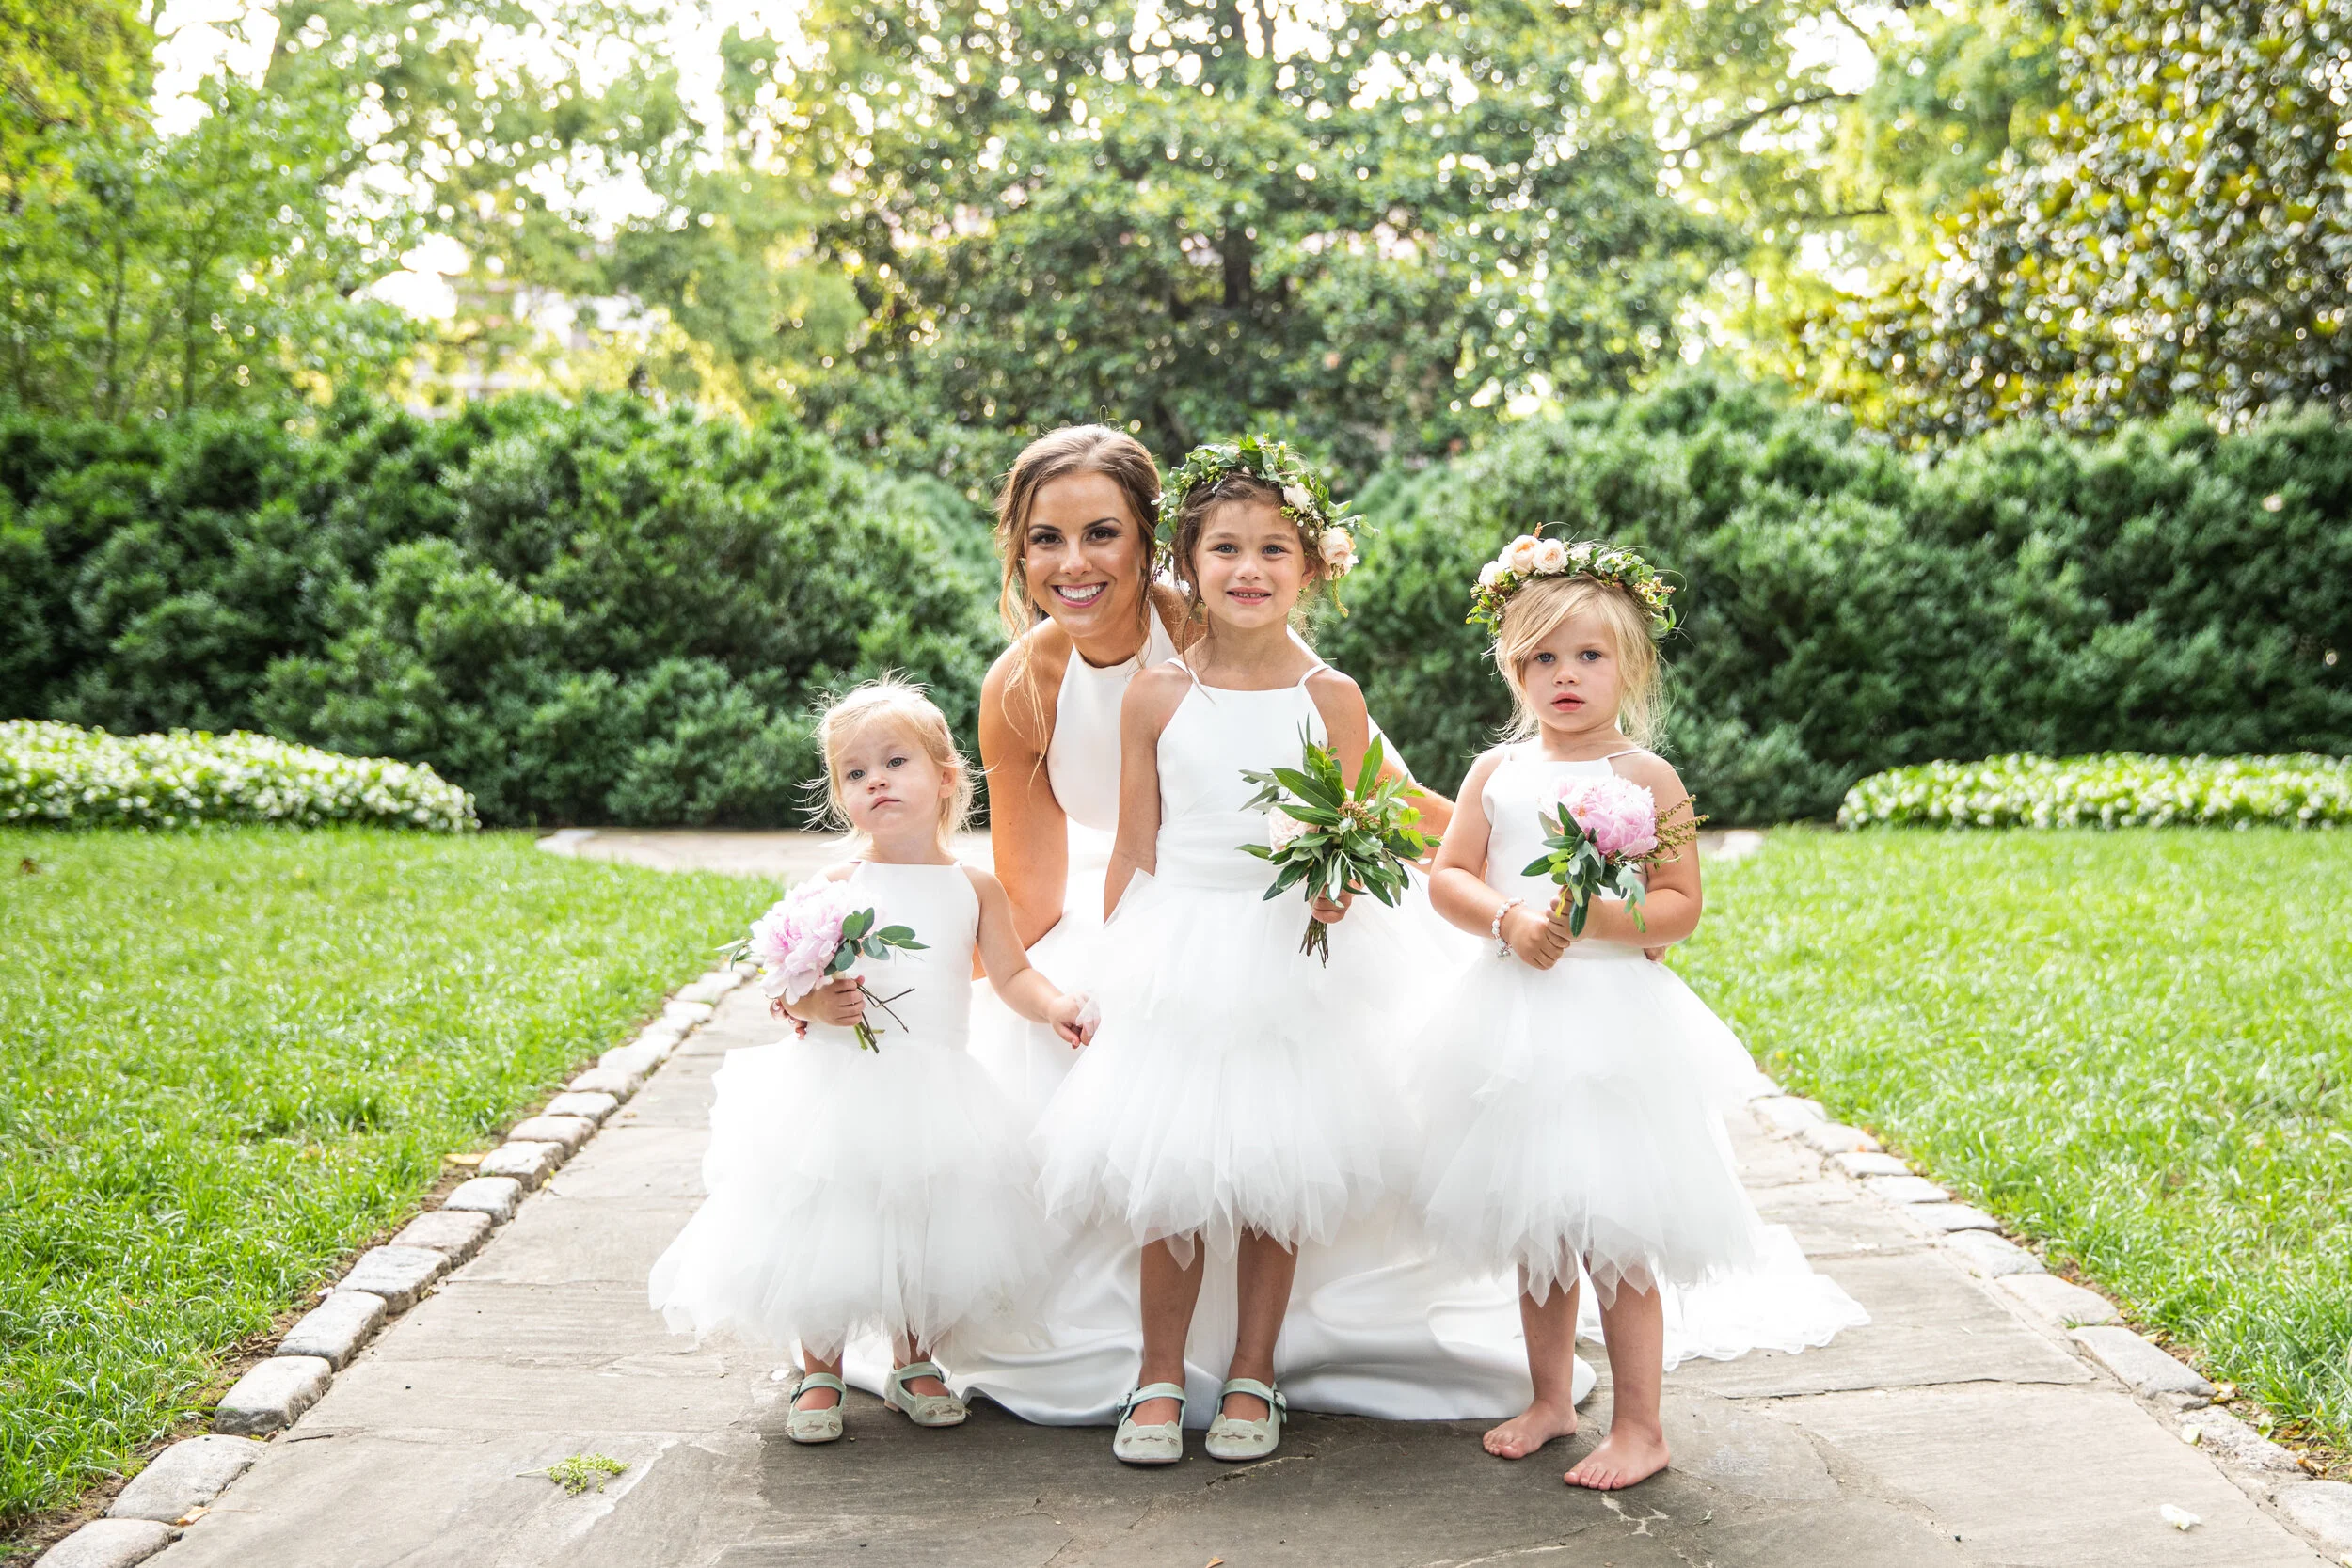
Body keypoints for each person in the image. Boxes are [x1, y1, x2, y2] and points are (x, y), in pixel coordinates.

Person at [1418, 538, 1863, 1489]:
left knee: (1615, 1230)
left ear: (1630, 667)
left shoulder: (1647, 777)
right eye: (1542, 657)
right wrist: (1506, 915)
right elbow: (1448, 875)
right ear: (1511, 666)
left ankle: (1642, 1423)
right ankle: (1547, 1395)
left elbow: (1677, 908)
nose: (1565, 675)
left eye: (1588, 655)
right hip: (1512, 1021)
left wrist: (1583, 916)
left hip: (1611, 1028)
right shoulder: (1493, 774)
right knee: (1535, 1223)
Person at [1034, 439, 1418, 1462]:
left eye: (1273, 549)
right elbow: (1132, 845)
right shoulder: (1158, 695)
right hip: (1179, 945)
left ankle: (1254, 1369)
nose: (1249, 569)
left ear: (1311, 566)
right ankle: (1157, 1375)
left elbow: (1361, 827)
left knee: (1276, 1166)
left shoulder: (1331, 696)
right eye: (1226, 549)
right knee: (1173, 1175)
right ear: (1189, 565)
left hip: (1288, 949)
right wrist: (1111, 968)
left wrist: (1341, 890)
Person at [647, 680, 1093, 1444]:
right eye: (855, 773)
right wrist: (814, 1006)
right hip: (839, 1088)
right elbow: (785, 984)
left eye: (895, 761)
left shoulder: (972, 887)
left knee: (924, 1221)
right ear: (840, 794)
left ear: (946, 777)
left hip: (936, 1084)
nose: (876, 780)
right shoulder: (836, 889)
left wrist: (1053, 1005)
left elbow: (1010, 973)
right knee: (830, 1220)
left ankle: (913, 1357)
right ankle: (819, 1361)